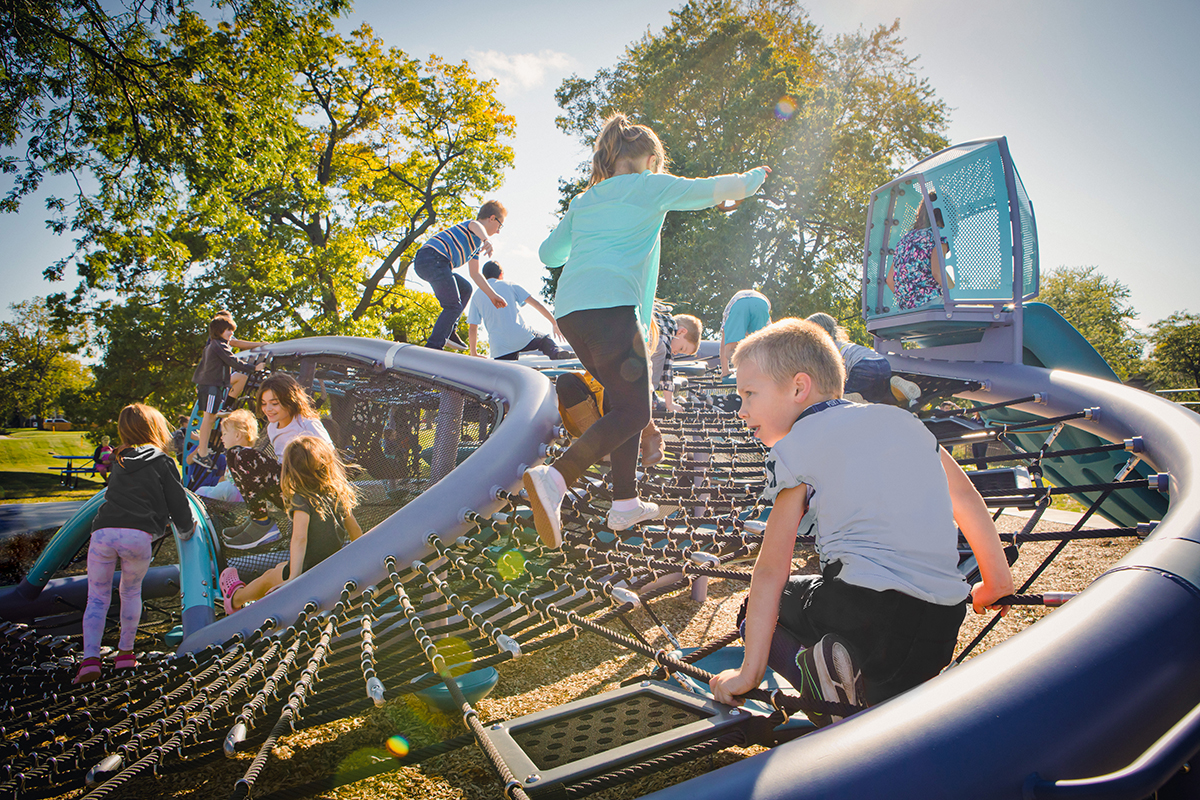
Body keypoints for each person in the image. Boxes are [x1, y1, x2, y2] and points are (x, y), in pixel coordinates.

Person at [708, 319, 1014, 724]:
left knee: (755, 610)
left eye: (749, 394)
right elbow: (966, 499)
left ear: (799, 388)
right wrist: (996, 583)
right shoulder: (904, 422)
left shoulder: (795, 446)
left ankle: (828, 693)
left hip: (863, 616)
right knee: (875, 654)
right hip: (940, 630)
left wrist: (748, 674)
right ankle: (856, 688)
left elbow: (770, 570)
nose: (742, 410)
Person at [526, 111, 768, 548]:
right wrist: (755, 178)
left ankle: (624, 503)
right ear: (651, 159)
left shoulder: (586, 200)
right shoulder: (651, 186)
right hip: (612, 308)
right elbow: (721, 187)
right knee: (637, 412)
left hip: (572, 313)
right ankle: (555, 478)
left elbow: (548, 253)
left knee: (624, 404)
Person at [74, 404, 196, 683]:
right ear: (155, 429)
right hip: (137, 536)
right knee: (130, 593)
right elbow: (178, 502)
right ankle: (125, 654)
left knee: (97, 597)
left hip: (103, 533)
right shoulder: (164, 461)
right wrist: (187, 529)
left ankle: (90, 659)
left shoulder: (118, 459)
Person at [219, 435, 363, 614]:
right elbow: (355, 531)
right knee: (280, 568)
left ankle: (235, 599)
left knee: (269, 577)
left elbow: (300, 538)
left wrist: (294, 578)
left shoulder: (301, 498)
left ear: (290, 470)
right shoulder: (335, 493)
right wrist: (362, 561)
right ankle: (263, 601)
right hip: (331, 566)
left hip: (309, 572)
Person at [221, 374, 331, 546]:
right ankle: (259, 518)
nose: (268, 409)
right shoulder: (273, 427)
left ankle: (262, 524)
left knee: (244, 455)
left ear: (290, 400)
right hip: (284, 486)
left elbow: (330, 457)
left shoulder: (307, 424)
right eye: (264, 404)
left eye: (274, 403)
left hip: (306, 488)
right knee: (234, 453)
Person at [413, 201, 509, 351]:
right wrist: (486, 240)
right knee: (452, 305)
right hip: (433, 258)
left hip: (436, 264)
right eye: (499, 225)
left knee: (465, 288)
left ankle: (450, 330)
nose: (498, 231)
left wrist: (492, 295)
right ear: (492, 218)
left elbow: (475, 274)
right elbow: (476, 226)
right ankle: (433, 347)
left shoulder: (476, 247)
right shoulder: (472, 226)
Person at [191, 314, 266, 468]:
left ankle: (225, 406)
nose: (231, 333)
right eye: (229, 330)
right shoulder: (218, 345)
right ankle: (202, 453)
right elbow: (233, 360)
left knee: (239, 379)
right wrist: (254, 368)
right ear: (219, 330)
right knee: (209, 418)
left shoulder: (216, 343)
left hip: (214, 383)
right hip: (211, 383)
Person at [806, 312, 921, 407]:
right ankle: (895, 389)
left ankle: (855, 397)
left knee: (844, 403)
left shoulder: (826, 347)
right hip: (882, 362)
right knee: (881, 398)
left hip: (862, 366)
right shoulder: (844, 344)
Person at [466, 260, 571, 360]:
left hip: (499, 347)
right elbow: (537, 305)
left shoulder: (476, 296)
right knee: (545, 340)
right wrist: (554, 323)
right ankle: (557, 353)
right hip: (521, 337)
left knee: (509, 374)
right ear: (501, 274)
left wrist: (473, 353)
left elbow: (473, 327)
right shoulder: (510, 285)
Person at [215, 409, 282, 548]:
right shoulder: (237, 455)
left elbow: (253, 488)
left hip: (282, 494)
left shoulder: (245, 456)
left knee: (234, 455)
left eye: (225, 434)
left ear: (238, 435)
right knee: (231, 455)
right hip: (275, 495)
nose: (222, 437)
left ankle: (262, 523)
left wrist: (259, 515)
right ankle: (255, 518)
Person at [885, 193, 953, 310]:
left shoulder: (905, 239)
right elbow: (938, 272)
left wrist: (910, 301)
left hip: (907, 309)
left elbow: (890, 279)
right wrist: (956, 295)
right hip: (932, 304)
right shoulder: (938, 234)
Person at [719, 289, 771, 378]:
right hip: (761, 303)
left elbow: (724, 343)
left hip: (739, 302)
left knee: (730, 350)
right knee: (761, 348)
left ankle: (747, 370)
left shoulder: (729, 312)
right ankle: (762, 372)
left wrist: (725, 371)